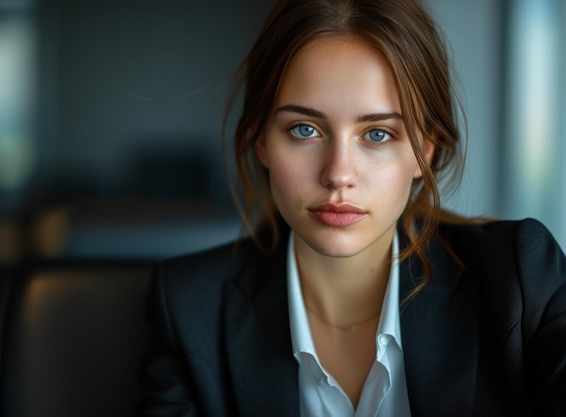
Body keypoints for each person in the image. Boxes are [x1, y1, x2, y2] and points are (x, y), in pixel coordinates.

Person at [136, 0, 566, 416]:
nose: (338, 174)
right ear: (261, 140)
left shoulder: (521, 279)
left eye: (378, 134)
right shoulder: (189, 308)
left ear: (426, 151)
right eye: (304, 130)